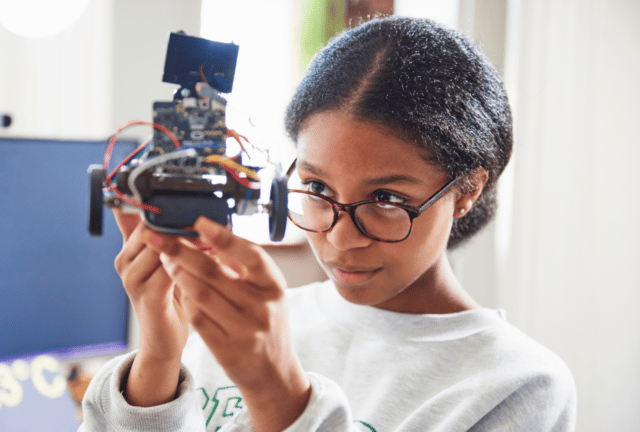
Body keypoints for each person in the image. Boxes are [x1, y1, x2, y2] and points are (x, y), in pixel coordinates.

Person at [79, 16, 577, 432]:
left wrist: (276, 390)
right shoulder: (240, 325)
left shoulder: (519, 385)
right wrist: (160, 359)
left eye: (386, 198)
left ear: (467, 189)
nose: (340, 238)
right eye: (317, 189)